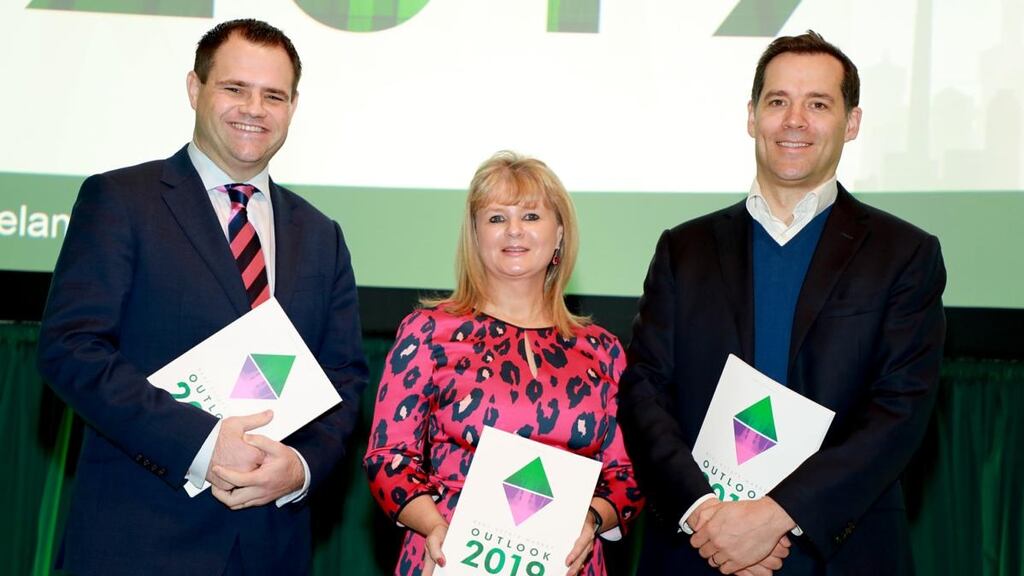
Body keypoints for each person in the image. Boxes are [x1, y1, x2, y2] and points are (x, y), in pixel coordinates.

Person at [37, 19, 368, 576]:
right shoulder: (120, 200)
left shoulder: (321, 234)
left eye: (274, 95)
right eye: (235, 88)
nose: (254, 108)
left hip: (271, 546)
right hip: (139, 540)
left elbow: (344, 380)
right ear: (195, 89)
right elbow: (72, 348)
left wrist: (300, 469)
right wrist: (202, 444)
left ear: (292, 107)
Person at [617, 31, 946, 575]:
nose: (795, 120)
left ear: (852, 122)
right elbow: (645, 391)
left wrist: (775, 515)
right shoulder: (685, 248)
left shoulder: (904, 255)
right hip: (697, 548)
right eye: (777, 102)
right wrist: (705, 515)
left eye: (818, 104)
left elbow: (899, 413)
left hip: (837, 552)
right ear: (752, 117)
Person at [363, 151, 643, 576]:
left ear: (560, 234)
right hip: (450, 559)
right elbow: (388, 457)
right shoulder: (426, 331)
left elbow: (628, 473)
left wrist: (591, 520)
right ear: (475, 236)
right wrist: (434, 526)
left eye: (531, 216)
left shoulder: (604, 350)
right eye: (496, 218)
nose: (514, 230)